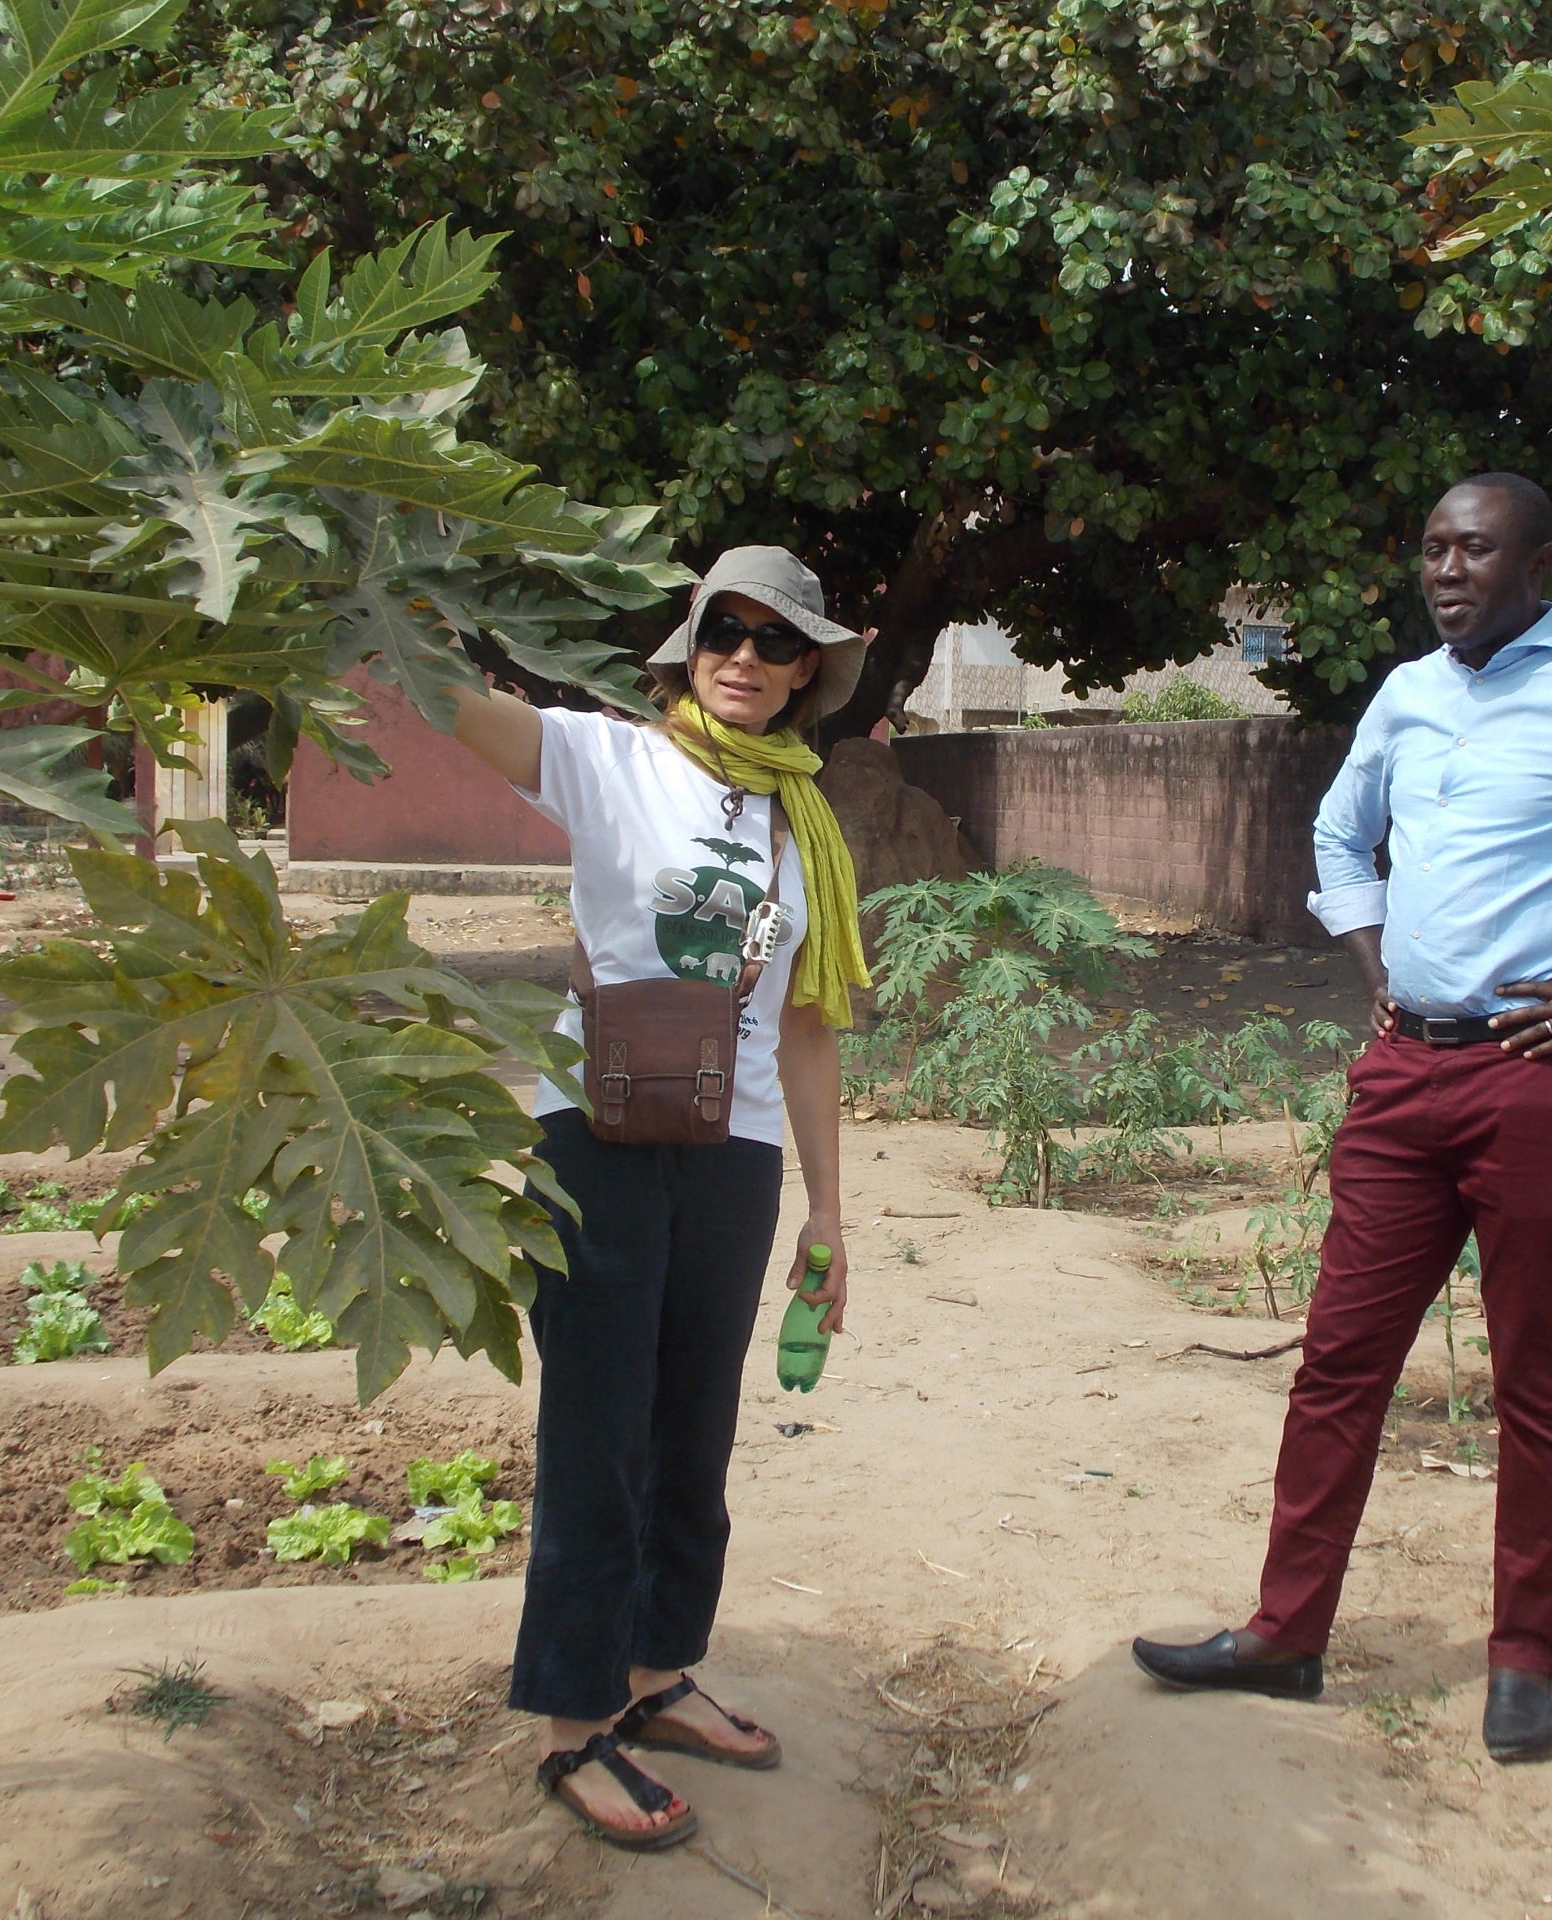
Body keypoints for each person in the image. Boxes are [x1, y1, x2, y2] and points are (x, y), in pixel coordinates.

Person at [1130, 474, 1552, 1761]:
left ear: (1537, 567)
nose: (1446, 571)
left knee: (1535, 1373)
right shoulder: (1408, 693)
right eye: (1432, 548)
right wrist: (1379, 967)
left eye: (1475, 550)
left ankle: (1524, 1654)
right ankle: (1283, 1634)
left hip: (1536, 1077)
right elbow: (1339, 834)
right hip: (1403, 1078)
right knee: (1339, 1359)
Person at [446, 546, 873, 1848]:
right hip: (601, 1132)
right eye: (724, 630)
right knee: (599, 1434)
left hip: (735, 1151)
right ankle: (573, 1730)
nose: (746, 655)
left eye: (776, 639)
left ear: (809, 673)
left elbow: (807, 1031)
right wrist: (385, 600)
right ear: (690, 649)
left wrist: (827, 1213)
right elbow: (460, 710)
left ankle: (654, 1674)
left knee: (693, 1433)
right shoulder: (609, 760)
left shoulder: (805, 821)